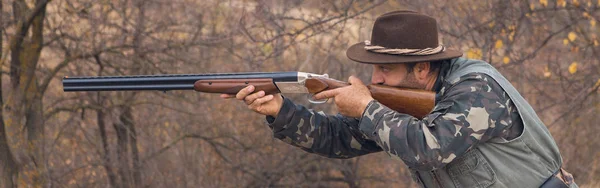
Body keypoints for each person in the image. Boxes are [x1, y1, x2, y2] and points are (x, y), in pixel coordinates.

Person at [221, 10, 577, 188]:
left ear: (422, 69)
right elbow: (338, 139)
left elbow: (429, 147)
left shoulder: (477, 90)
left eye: (384, 70)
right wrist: (281, 111)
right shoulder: (404, 101)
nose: (375, 79)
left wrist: (365, 107)